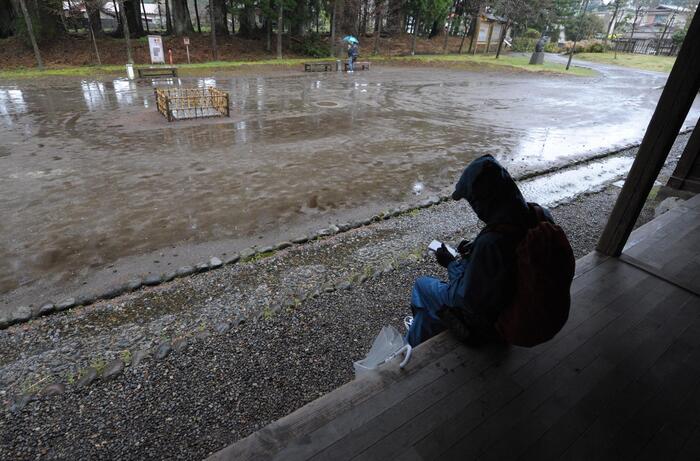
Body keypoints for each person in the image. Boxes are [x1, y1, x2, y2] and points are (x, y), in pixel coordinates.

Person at [405, 154, 556, 347]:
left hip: (495, 323)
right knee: (428, 316)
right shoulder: (540, 214)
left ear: (485, 201)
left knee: (422, 286)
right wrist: (475, 250)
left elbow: (463, 298)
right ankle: (425, 328)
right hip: (527, 306)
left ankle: (410, 345)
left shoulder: (492, 243)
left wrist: (451, 263)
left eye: (474, 203)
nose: (476, 210)